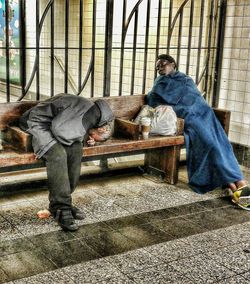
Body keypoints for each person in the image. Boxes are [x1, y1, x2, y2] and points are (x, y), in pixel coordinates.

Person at [147, 54, 250, 210]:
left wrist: (196, 109)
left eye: (163, 64)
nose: (159, 68)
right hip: (189, 120)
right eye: (157, 66)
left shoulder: (185, 79)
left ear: (173, 64)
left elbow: (196, 98)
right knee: (211, 146)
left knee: (222, 144)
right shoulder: (159, 84)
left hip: (205, 115)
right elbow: (154, 101)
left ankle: (236, 186)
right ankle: (238, 185)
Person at [19, 94, 114, 231]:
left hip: (55, 125)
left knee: (76, 149)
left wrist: (87, 136)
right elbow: (60, 131)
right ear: (99, 128)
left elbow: (68, 129)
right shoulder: (88, 114)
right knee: (57, 154)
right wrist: (84, 135)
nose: (92, 138)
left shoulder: (94, 113)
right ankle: (61, 208)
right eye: (94, 137)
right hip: (36, 122)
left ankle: (64, 202)